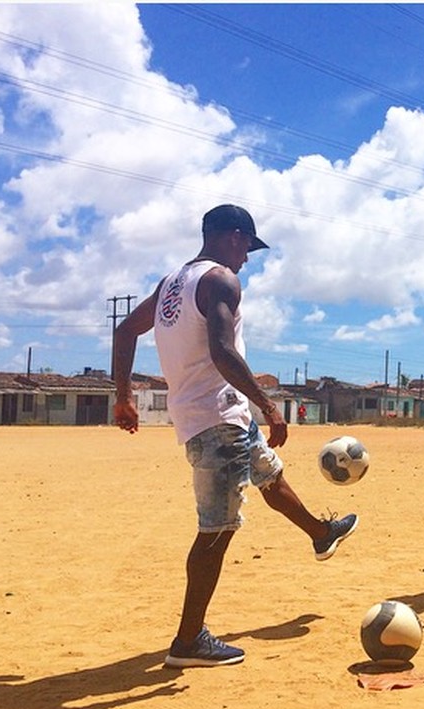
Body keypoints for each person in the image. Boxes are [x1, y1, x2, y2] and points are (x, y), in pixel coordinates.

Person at [113, 204, 358, 668]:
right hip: (217, 419)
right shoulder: (221, 280)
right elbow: (223, 351)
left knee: (269, 475)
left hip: (222, 415)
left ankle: (320, 533)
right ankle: (189, 640)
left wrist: (123, 396)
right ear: (235, 236)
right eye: (248, 247)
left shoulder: (171, 284)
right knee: (217, 528)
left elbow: (125, 331)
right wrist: (269, 405)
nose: (247, 258)